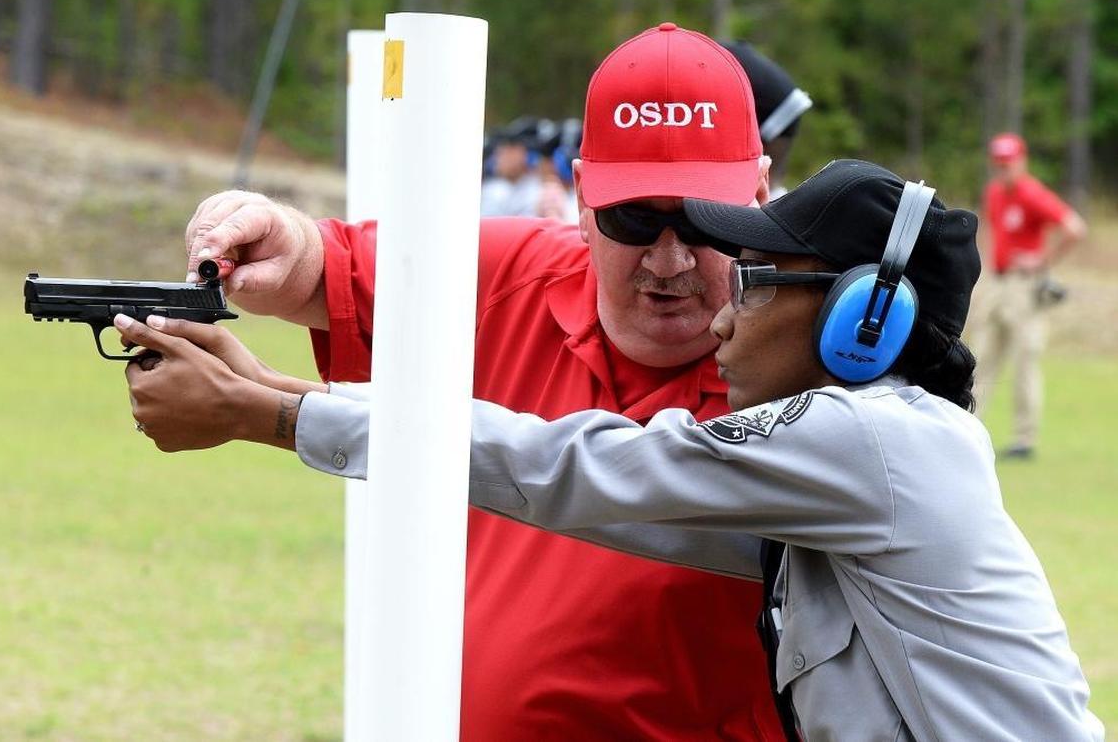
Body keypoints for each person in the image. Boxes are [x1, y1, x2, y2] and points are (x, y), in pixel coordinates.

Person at [115, 160, 1103, 740]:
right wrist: (267, 391)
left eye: (752, 279)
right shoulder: (863, 463)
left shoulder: (868, 436)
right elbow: (620, 497)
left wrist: (267, 417)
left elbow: (581, 468)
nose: (721, 308)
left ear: (861, 317)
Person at [145, 23, 788, 739]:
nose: (668, 260)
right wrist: (264, 232)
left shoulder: (807, 368)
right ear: (580, 200)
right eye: (634, 218)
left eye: (705, 220)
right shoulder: (502, 275)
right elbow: (321, 266)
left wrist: (265, 407)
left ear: (761, 195)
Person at [968, 132, 1087, 459]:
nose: (1003, 170)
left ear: (1021, 161)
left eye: (1008, 163)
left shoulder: (1031, 193)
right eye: (998, 164)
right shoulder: (993, 193)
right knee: (981, 358)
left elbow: (1074, 227)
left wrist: (1043, 260)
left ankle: (1024, 439)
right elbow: (995, 235)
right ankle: (968, 427)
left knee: (1024, 360)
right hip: (998, 282)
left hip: (1025, 285)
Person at [721, 40, 812, 199]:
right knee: (770, 178)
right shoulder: (708, 49)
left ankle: (774, 206)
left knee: (765, 180)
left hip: (771, 99)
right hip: (783, 94)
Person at [479, 116, 544, 217]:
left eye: (509, 149)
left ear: (524, 154)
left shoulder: (540, 193)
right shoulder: (494, 188)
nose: (499, 155)